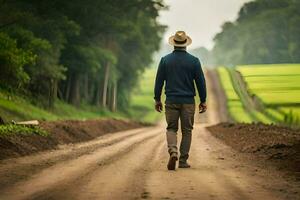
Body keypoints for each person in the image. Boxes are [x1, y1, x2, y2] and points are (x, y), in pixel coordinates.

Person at [154, 31, 207, 170]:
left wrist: (157, 99)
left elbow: (159, 81)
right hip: (188, 102)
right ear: (185, 44)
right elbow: (201, 82)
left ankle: (173, 151)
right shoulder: (194, 61)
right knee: (187, 131)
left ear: (174, 44)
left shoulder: (165, 60)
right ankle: (183, 161)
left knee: (171, 128)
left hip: (171, 100)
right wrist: (203, 100)